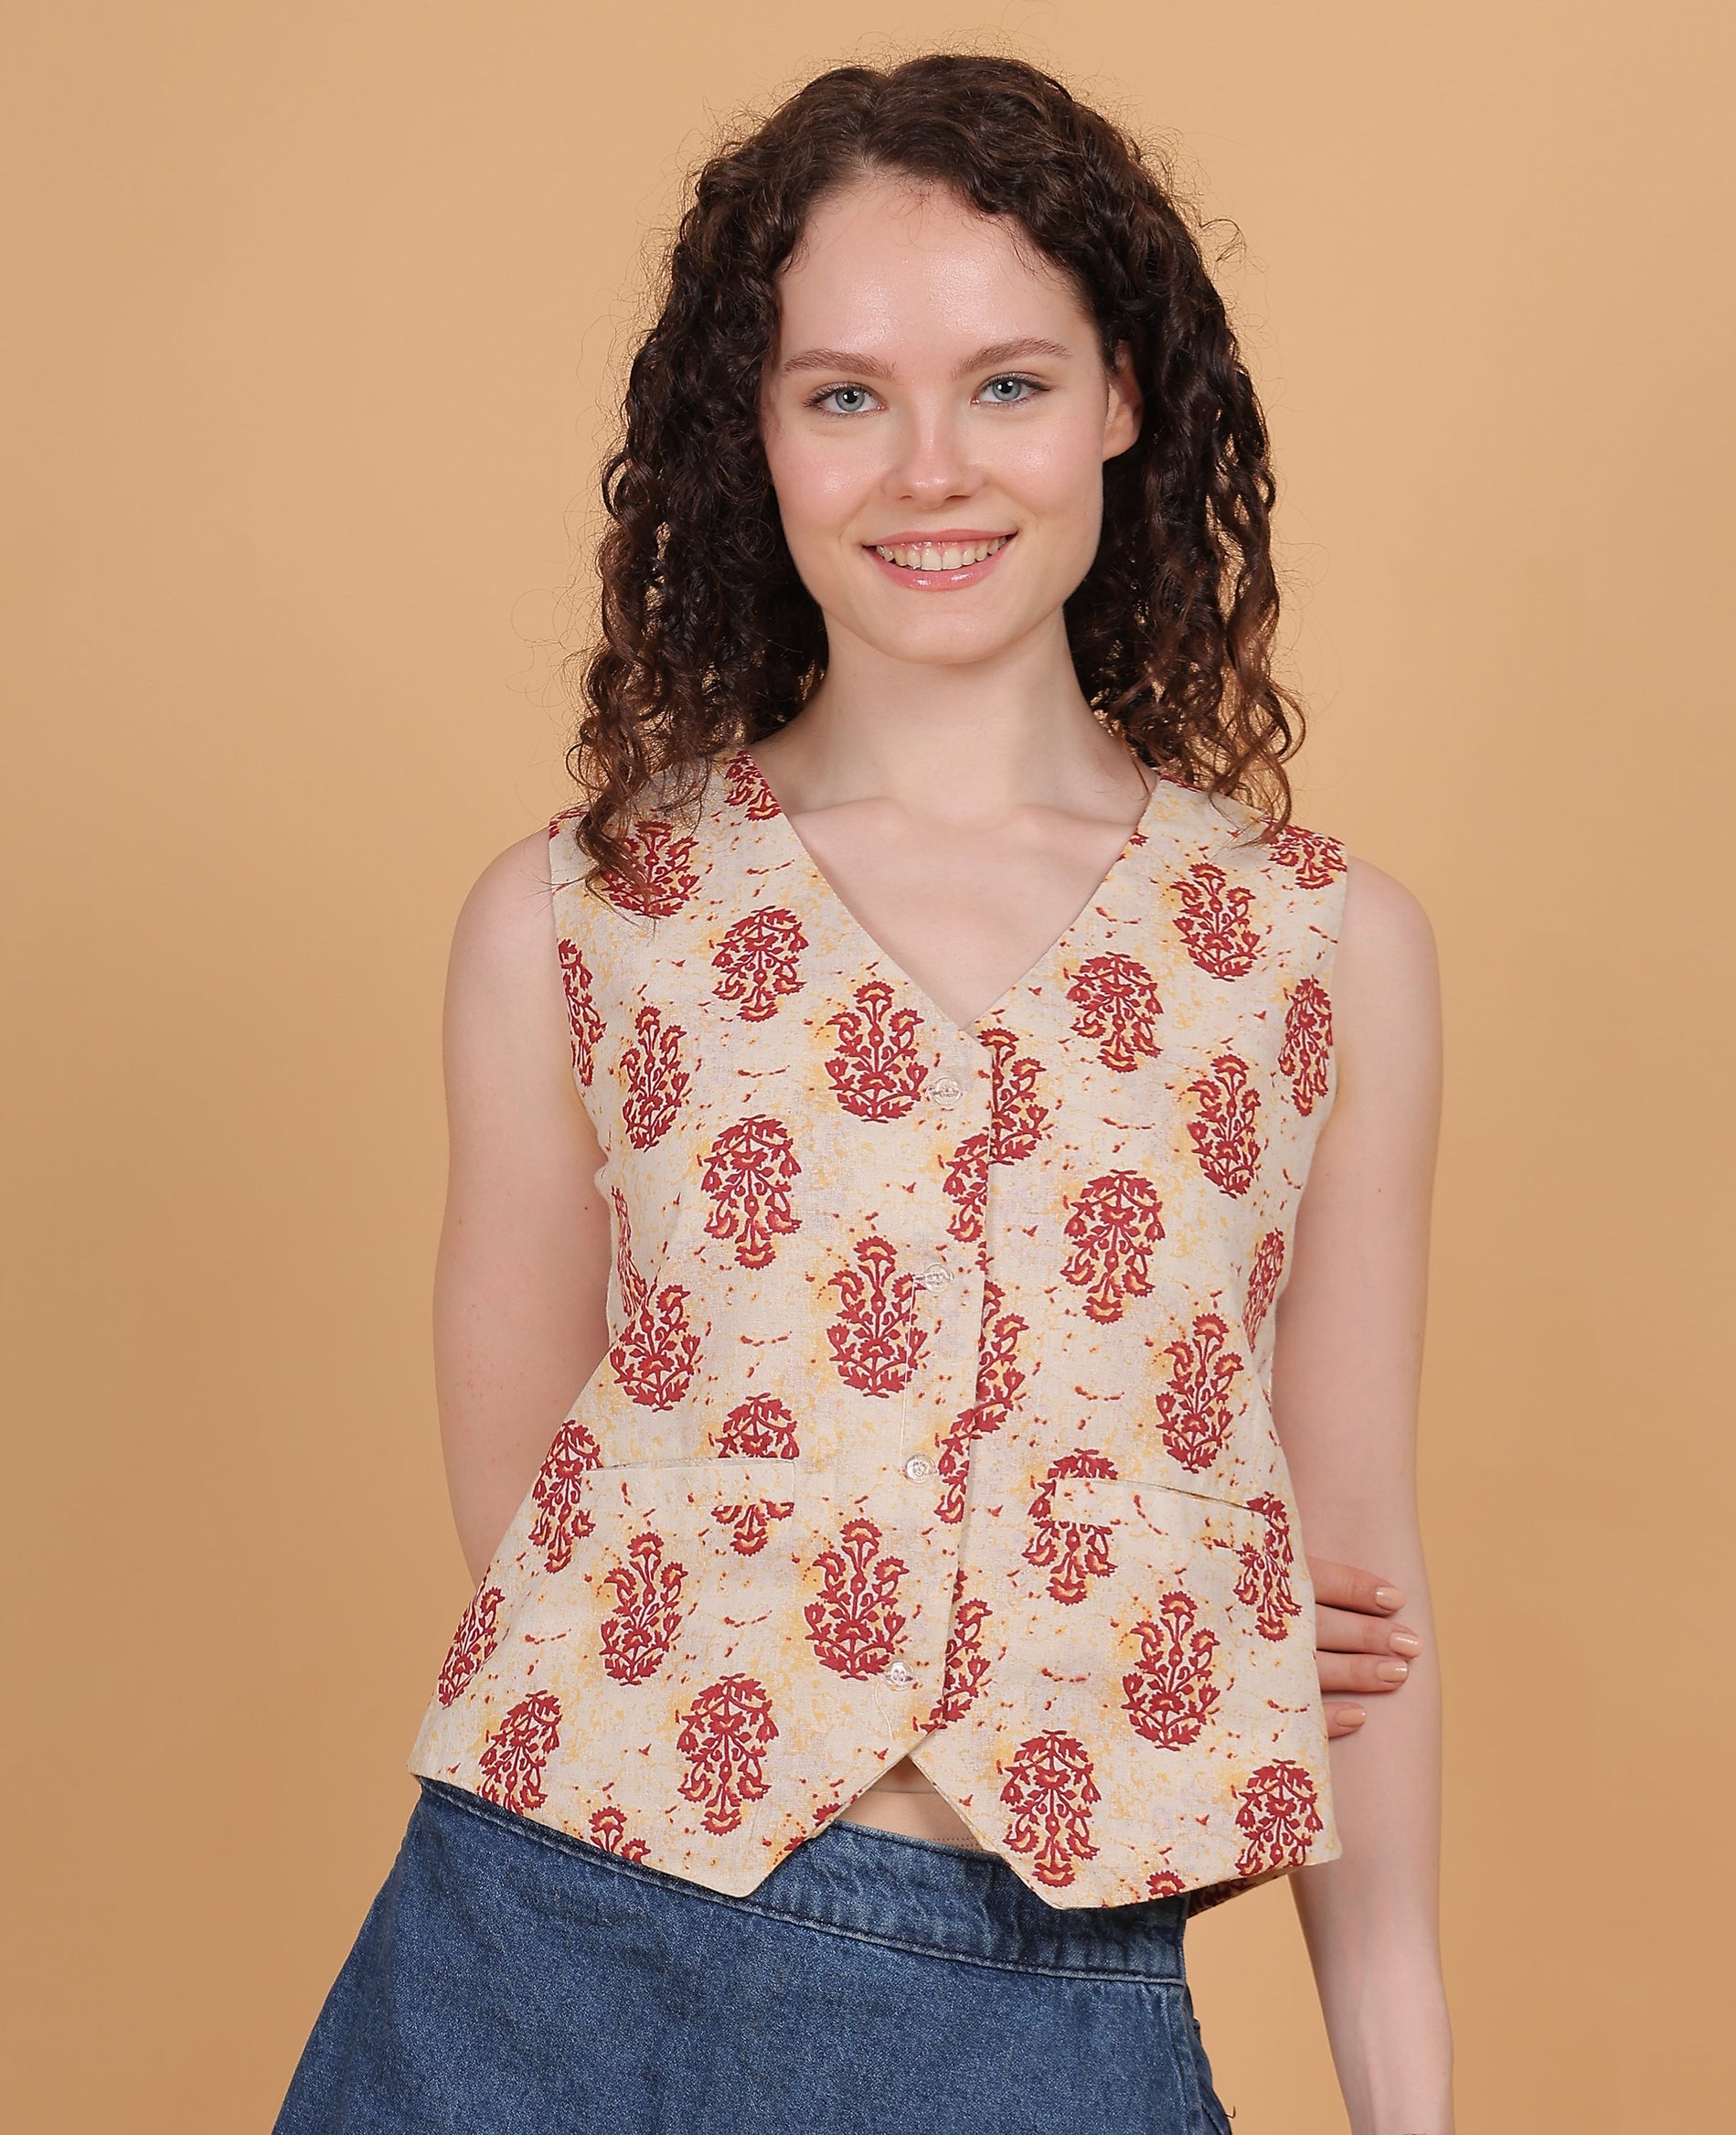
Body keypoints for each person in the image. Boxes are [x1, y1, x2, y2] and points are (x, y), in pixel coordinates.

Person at [272, 52, 1450, 2135]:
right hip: (541, 1955)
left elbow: (1354, 1581)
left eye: (1006, 383)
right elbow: (540, 1520)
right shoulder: (579, 913)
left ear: (1121, 397)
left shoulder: (1316, 945)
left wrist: (1403, 2093)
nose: (930, 469)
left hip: (1042, 2001)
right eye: (842, 394)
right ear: (752, 434)